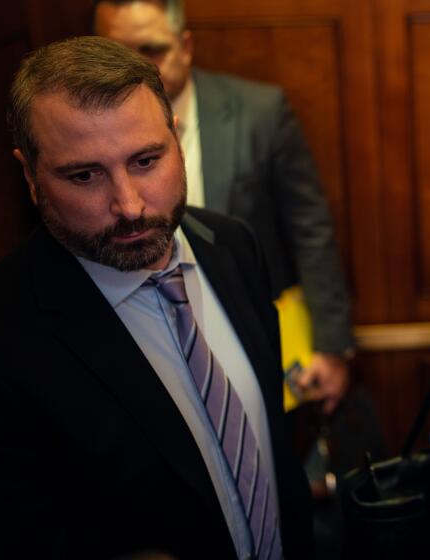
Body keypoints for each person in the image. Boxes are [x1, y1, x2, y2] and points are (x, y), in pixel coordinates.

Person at [0, 36, 311, 559]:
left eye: (145, 160)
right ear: (29, 175)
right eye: (85, 175)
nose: (130, 205)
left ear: (175, 139)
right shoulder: (4, 335)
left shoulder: (231, 246)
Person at [93, 0, 353, 413]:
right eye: (116, 54)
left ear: (186, 45)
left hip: (250, 326)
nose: (134, 70)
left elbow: (310, 229)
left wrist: (332, 346)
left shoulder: (260, 113)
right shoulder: (83, 139)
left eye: (152, 50)